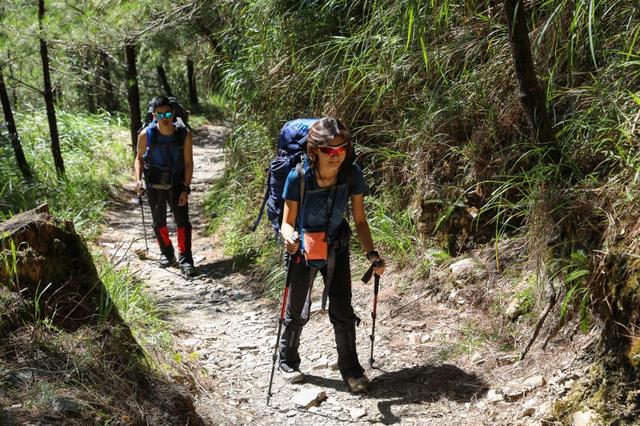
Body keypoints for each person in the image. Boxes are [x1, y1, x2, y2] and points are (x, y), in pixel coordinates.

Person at [278, 117, 386, 392]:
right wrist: (289, 237)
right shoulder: (298, 177)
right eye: (330, 150)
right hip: (304, 250)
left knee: (342, 309)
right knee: (297, 308)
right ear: (314, 151)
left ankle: (351, 369)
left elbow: (360, 221)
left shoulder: (352, 174)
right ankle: (287, 360)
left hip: (337, 247)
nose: (337, 155)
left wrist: (371, 254)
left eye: (342, 149)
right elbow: (287, 221)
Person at [134, 96, 197, 277]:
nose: (164, 117)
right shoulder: (146, 134)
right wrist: (138, 180)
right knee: (158, 222)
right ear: (154, 115)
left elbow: (188, 163)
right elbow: (138, 158)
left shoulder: (184, 135)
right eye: (160, 114)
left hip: (177, 183)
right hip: (154, 184)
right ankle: (167, 253)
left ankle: (185, 259)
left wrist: (186, 188)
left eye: (168, 113)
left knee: (182, 222)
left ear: (174, 113)